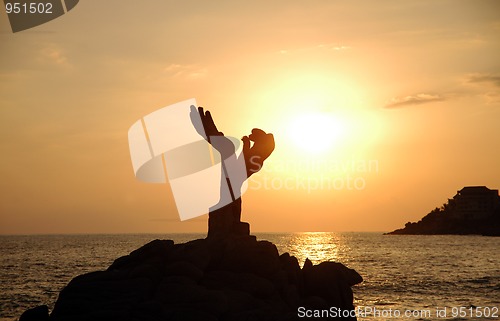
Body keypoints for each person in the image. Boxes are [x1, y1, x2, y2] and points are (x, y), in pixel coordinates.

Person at [193, 107, 274, 238]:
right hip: (237, 176)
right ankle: (231, 216)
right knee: (228, 151)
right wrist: (246, 146)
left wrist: (246, 146)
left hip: (238, 174)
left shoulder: (259, 152)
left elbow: (245, 160)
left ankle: (231, 217)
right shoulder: (257, 153)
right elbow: (244, 159)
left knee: (228, 150)